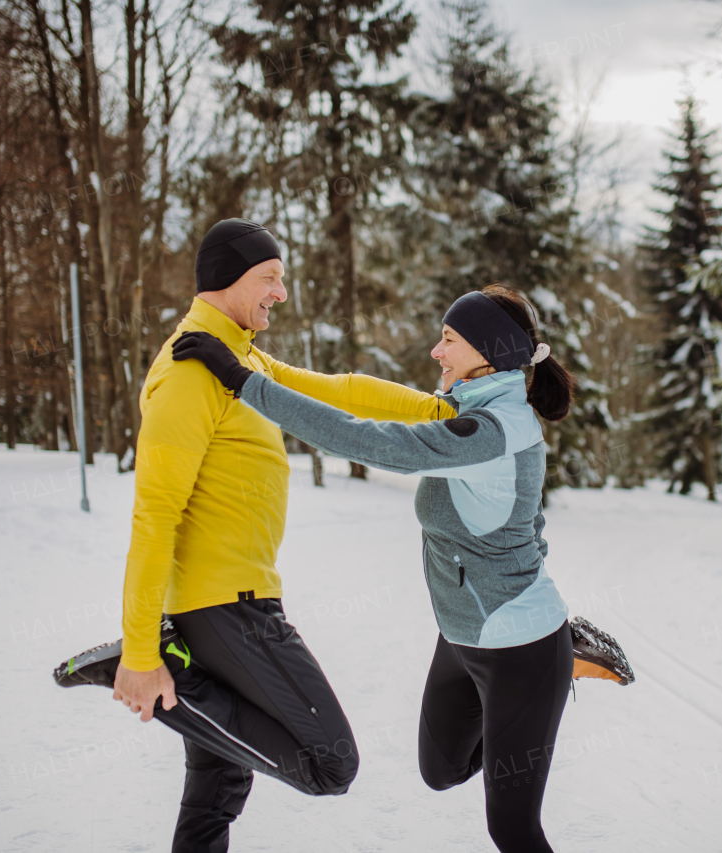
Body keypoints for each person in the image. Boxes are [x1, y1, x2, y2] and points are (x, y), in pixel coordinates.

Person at [172, 284, 634, 853]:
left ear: (488, 352)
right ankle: (557, 667)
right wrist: (264, 365)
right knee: (440, 770)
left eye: (448, 340)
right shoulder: (476, 407)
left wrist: (244, 383)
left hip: (521, 647)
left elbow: (366, 441)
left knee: (512, 829)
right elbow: (365, 400)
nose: (436, 353)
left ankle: (558, 662)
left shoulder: (491, 431)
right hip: (463, 637)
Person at [53, 219, 455, 853]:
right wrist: (138, 651)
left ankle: (177, 688)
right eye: (269, 278)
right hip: (224, 608)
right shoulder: (190, 369)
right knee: (331, 763)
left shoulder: (238, 358)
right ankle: (165, 685)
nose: (281, 293)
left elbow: (340, 393)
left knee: (215, 791)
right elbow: (154, 515)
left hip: (233, 600)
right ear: (226, 278)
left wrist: (441, 409)